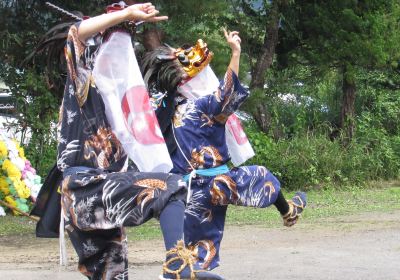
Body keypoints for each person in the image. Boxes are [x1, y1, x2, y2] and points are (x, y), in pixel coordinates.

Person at [55, 2, 223, 279]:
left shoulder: (120, 109)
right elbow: (77, 34)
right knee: (171, 186)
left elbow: (148, 133)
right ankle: (177, 267)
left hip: (94, 198)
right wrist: (122, 16)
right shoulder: (84, 83)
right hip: (85, 187)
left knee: (112, 275)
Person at [142, 28, 307, 272]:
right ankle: (288, 211)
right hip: (216, 184)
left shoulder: (164, 110)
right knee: (261, 176)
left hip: (185, 194)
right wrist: (236, 52)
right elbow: (226, 91)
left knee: (196, 252)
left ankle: (179, 273)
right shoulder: (202, 106)